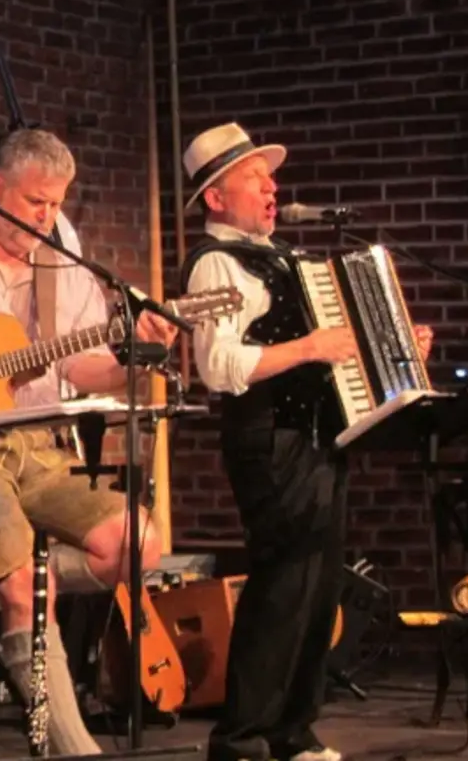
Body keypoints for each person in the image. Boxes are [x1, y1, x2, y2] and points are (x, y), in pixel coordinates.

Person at [0, 127, 175, 755]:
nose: (46, 217)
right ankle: (77, 750)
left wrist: (137, 358)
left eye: (55, 204)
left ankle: (8, 586)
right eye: (34, 202)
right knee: (27, 584)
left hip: (39, 446)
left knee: (139, 543)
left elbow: (83, 368)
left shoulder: (67, 274)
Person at [178, 122, 434, 761]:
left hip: (316, 437)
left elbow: (333, 352)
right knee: (283, 590)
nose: (272, 189)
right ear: (217, 198)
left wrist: (397, 348)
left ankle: (292, 732)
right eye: (254, 179)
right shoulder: (215, 263)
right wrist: (310, 347)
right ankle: (240, 740)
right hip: (268, 439)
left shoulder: (283, 257)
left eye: (270, 178)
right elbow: (219, 366)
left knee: (318, 593)